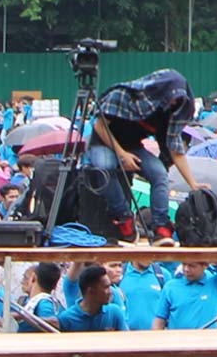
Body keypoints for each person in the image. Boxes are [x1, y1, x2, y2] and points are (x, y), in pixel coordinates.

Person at [88, 68, 210, 241]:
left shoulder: (170, 114)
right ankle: (124, 216)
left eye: (179, 101)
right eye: (173, 98)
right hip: (103, 142)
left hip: (133, 146)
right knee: (104, 168)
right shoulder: (123, 96)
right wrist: (122, 154)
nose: (174, 103)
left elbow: (177, 153)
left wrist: (193, 183)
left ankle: (160, 226)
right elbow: (100, 126)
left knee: (159, 173)